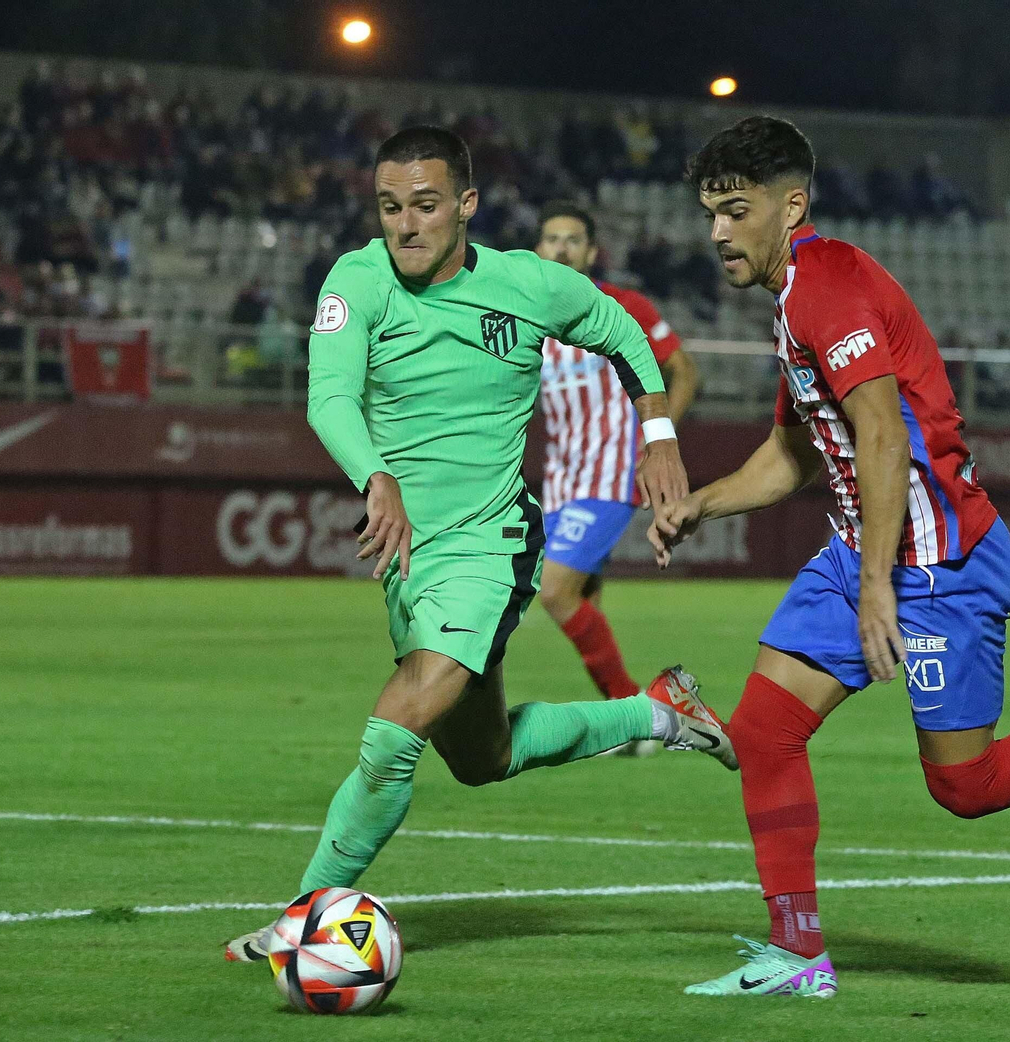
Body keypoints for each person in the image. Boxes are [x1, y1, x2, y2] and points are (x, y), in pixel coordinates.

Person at [650, 116, 1010, 998]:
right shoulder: (796, 296)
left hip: (941, 566)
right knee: (766, 729)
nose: (719, 231)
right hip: (864, 550)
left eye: (736, 210)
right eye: (710, 213)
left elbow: (882, 438)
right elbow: (795, 452)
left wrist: (880, 587)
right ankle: (797, 953)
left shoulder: (829, 285)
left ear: (791, 205)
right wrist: (701, 501)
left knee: (967, 786)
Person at [223, 126, 736, 963]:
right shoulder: (356, 281)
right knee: (482, 757)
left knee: (399, 724)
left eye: (425, 206)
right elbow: (329, 398)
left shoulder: (527, 283)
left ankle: (300, 924)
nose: (406, 226)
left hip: (491, 542)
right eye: (390, 207)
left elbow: (623, 332)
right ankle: (658, 713)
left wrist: (659, 431)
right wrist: (374, 476)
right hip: (408, 553)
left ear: (466, 205)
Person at [533, 201, 700, 753]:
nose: (561, 247)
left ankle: (638, 714)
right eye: (552, 238)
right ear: (538, 251)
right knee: (586, 603)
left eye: (572, 239)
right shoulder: (526, 316)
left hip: (609, 475)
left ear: (591, 252)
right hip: (559, 480)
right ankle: (623, 726)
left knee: (554, 591)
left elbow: (684, 370)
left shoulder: (622, 306)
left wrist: (658, 439)